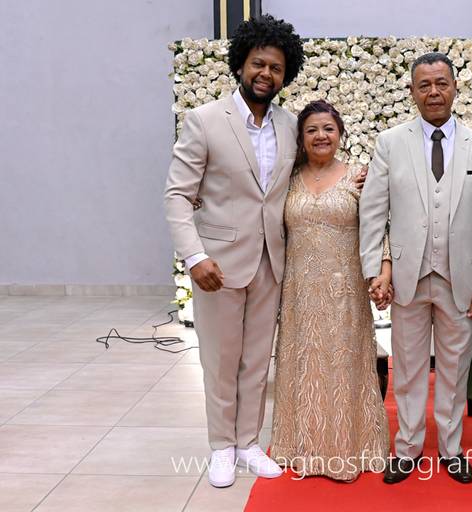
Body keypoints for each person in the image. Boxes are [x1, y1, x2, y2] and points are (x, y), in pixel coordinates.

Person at [163, 15, 305, 488]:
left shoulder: (290, 125)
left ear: (286, 74)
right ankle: (222, 446)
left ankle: (248, 443)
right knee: (221, 360)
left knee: (256, 360)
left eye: (276, 67)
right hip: (217, 266)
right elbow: (178, 195)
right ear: (241, 64)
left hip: (272, 261)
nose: (266, 74)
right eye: (258, 63)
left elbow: (300, 182)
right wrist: (195, 257)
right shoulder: (205, 120)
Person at [359, 52, 472, 485]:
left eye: (441, 83)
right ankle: (408, 447)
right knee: (408, 368)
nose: (434, 92)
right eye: (424, 85)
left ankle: (452, 449)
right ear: (412, 91)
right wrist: (373, 270)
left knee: (455, 368)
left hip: (462, 279)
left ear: (455, 88)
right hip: (408, 277)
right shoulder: (390, 143)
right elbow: (373, 212)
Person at [270, 100, 390, 481]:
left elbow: (378, 229)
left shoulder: (359, 177)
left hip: (345, 293)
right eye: (311, 130)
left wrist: (383, 272)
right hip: (299, 292)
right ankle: (299, 445)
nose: (320, 136)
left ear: (340, 134)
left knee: (344, 366)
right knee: (303, 365)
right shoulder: (286, 180)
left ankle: (351, 446)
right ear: (301, 138)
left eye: (328, 129)